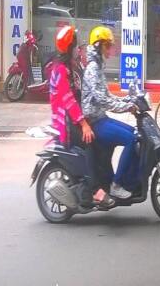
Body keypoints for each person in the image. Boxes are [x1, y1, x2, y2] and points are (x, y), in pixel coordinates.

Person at [49, 25, 113, 208]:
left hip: (76, 118)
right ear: (70, 48)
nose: (79, 48)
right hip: (66, 122)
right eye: (76, 45)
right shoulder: (60, 70)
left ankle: (104, 181)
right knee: (90, 140)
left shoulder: (73, 66)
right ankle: (95, 190)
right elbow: (69, 101)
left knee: (103, 141)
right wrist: (84, 124)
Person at [82, 26, 137, 200]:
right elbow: (103, 100)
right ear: (98, 46)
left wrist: (127, 100)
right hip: (95, 122)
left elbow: (107, 95)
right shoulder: (92, 69)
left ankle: (120, 179)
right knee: (131, 139)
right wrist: (125, 107)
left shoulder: (97, 67)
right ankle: (116, 184)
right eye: (107, 46)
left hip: (101, 118)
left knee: (134, 133)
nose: (109, 49)